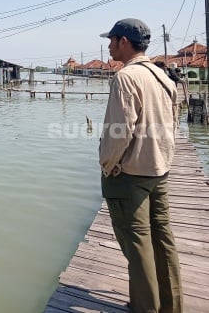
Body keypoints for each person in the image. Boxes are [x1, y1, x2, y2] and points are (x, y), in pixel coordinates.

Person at [98, 18, 183, 313]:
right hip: (159, 169)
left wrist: (107, 166)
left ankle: (145, 307)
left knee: (138, 245)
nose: (108, 45)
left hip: (130, 174)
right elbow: (173, 123)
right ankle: (171, 305)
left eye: (111, 40)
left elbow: (118, 132)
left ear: (124, 42)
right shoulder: (163, 76)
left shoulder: (127, 77)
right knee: (163, 239)